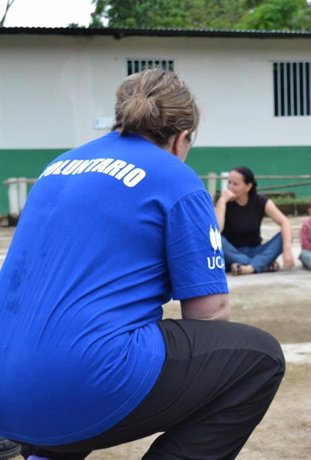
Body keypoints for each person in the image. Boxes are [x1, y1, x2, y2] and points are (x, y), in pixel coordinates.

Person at [0, 69, 285, 459]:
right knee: (258, 359)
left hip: (9, 390)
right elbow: (208, 314)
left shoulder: (59, 166)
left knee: (75, 340)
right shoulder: (176, 178)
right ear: (183, 138)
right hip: (73, 383)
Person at [214, 166, 295, 275]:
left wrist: (287, 249)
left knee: (286, 235)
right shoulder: (223, 202)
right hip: (230, 253)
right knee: (216, 238)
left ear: (248, 187)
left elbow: (284, 222)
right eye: (229, 182)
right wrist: (222, 201)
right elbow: (217, 229)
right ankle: (260, 265)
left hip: (256, 251)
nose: (230, 187)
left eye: (235, 184)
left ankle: (247, 267)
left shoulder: (260, 201)